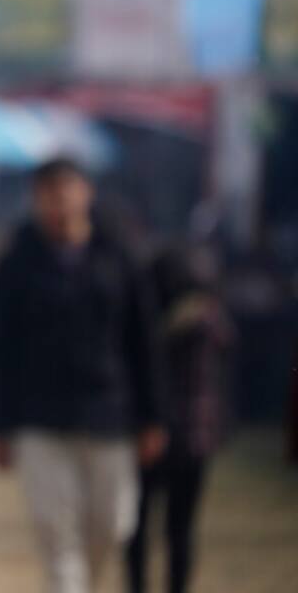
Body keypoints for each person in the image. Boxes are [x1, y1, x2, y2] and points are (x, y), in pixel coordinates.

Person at [0, 158, 166, 593]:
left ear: (86, 193)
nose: (59, 201)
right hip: (39, 418)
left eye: (67, 188)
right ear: (36, 199)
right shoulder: (16, 263)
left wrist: (154, 416)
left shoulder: (119, 257)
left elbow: (144, 341)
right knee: (56, 533)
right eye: (49, 191)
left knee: (114, 524)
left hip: (109, 415)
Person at [127, 245, 235, 593]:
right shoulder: (212, 320)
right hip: (194, 438)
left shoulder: (151, 323)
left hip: (152, 434)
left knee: (140, 525)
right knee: (181, 528)